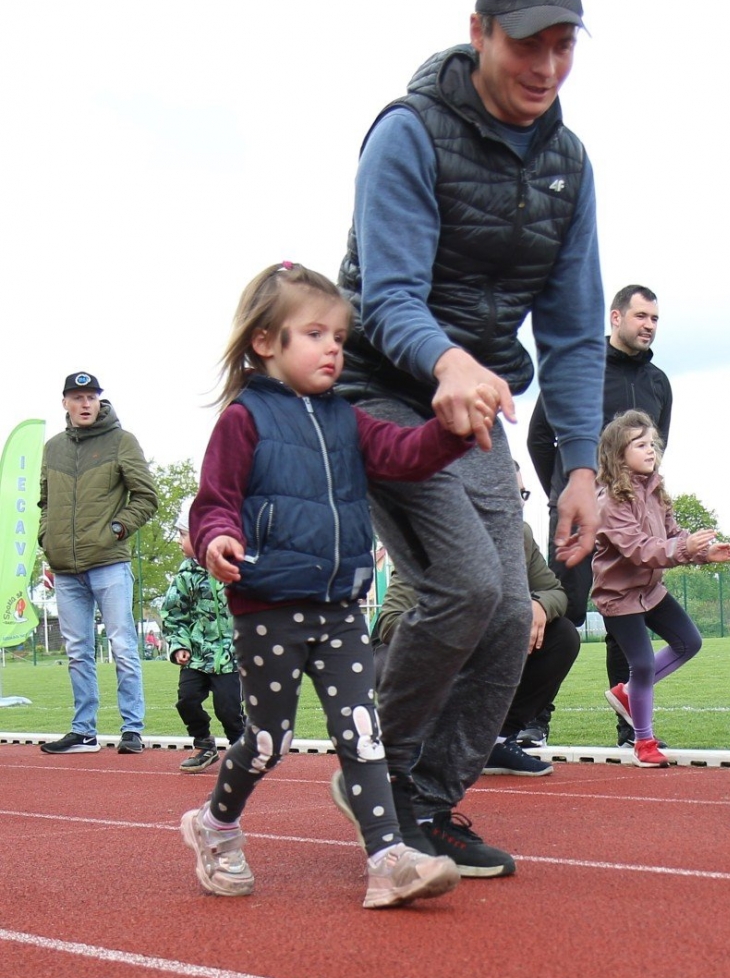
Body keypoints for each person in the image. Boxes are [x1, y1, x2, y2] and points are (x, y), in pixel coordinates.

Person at [332, 0, 605, 876]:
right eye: (527, 42)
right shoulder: (407, 132)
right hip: (383, 390)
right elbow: (387, 294)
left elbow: (572, 332)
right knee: (466, 587)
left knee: (519, 609)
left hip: (479, 404)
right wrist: (447, 362)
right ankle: (372, 768)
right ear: (480, 31)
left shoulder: (570, 164)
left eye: (564, 45)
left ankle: (425, 805)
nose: (544, 65)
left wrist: (577, 468)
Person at [183, 262, 475, 908]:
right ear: (266, 342)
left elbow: (403, 454)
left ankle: (387, 859)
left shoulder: (347, 419)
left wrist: (453, 429)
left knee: (361, 731)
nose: (333, 349)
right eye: (315, 333)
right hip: (269, 608)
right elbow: (214, 502)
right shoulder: (244, 419)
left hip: (340, 607)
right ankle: (216, 826)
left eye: (340, 337)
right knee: (269, 739)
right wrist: (218, 538)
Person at [529, 284, 672, 747]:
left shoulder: (658, 384)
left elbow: (656, 450)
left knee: (625, 617)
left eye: (655, 318)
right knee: (562, 613)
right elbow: (538, 438)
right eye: (641, 316)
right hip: (577, 516)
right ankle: (531, 721)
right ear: (615, 318)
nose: (649, 325)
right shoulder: (578, 371)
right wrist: (569, 489)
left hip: (629, 521)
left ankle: (633, 730)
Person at [373, 464, 576, 778]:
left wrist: (538, 606)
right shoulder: (426, 536)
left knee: (561, 635)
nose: (519, 503)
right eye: (510, 494)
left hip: (484, 650)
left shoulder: (519, 536)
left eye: (522, 494)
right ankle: (414, 740)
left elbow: (554, 591)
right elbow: (390, 622)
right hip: (419, 653)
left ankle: (495, 741)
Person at [592, 411, 730, 767]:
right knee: (641, 665)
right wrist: (683, 550)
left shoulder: (656, 489)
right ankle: (643, 742)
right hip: (619, 596)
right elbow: (641, 550)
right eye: (640, 445)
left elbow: (672, 536)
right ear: (617, 454)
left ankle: (627, 693)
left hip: (651, 589)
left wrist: (703, 552)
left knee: (689, 642)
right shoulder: (609, 502)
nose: (650, 451)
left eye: (652, 444)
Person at [37, 372, 157, 756]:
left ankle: (132, 730)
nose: (85, 403)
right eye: (77, 397)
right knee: (77, 652)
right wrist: (46, 538)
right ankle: (83, 732)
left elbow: (146, 496)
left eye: (91, 396)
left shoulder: (122, 441)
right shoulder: (52, 448)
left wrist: (118, 528)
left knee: (122, 645)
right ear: (65, 403)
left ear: (100, 401)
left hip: (108, 562)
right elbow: (45, 502)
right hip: (65, 569)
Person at [160, 497, 244, 773]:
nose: (178, 541)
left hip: (229, 656)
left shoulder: (235, 567)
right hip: (196, 654)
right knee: (187, 699)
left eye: (182, 534)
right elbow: (175, 613)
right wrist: (179, 644)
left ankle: (240, 745)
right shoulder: (186, 574)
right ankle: (204, 743)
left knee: (228, 708)